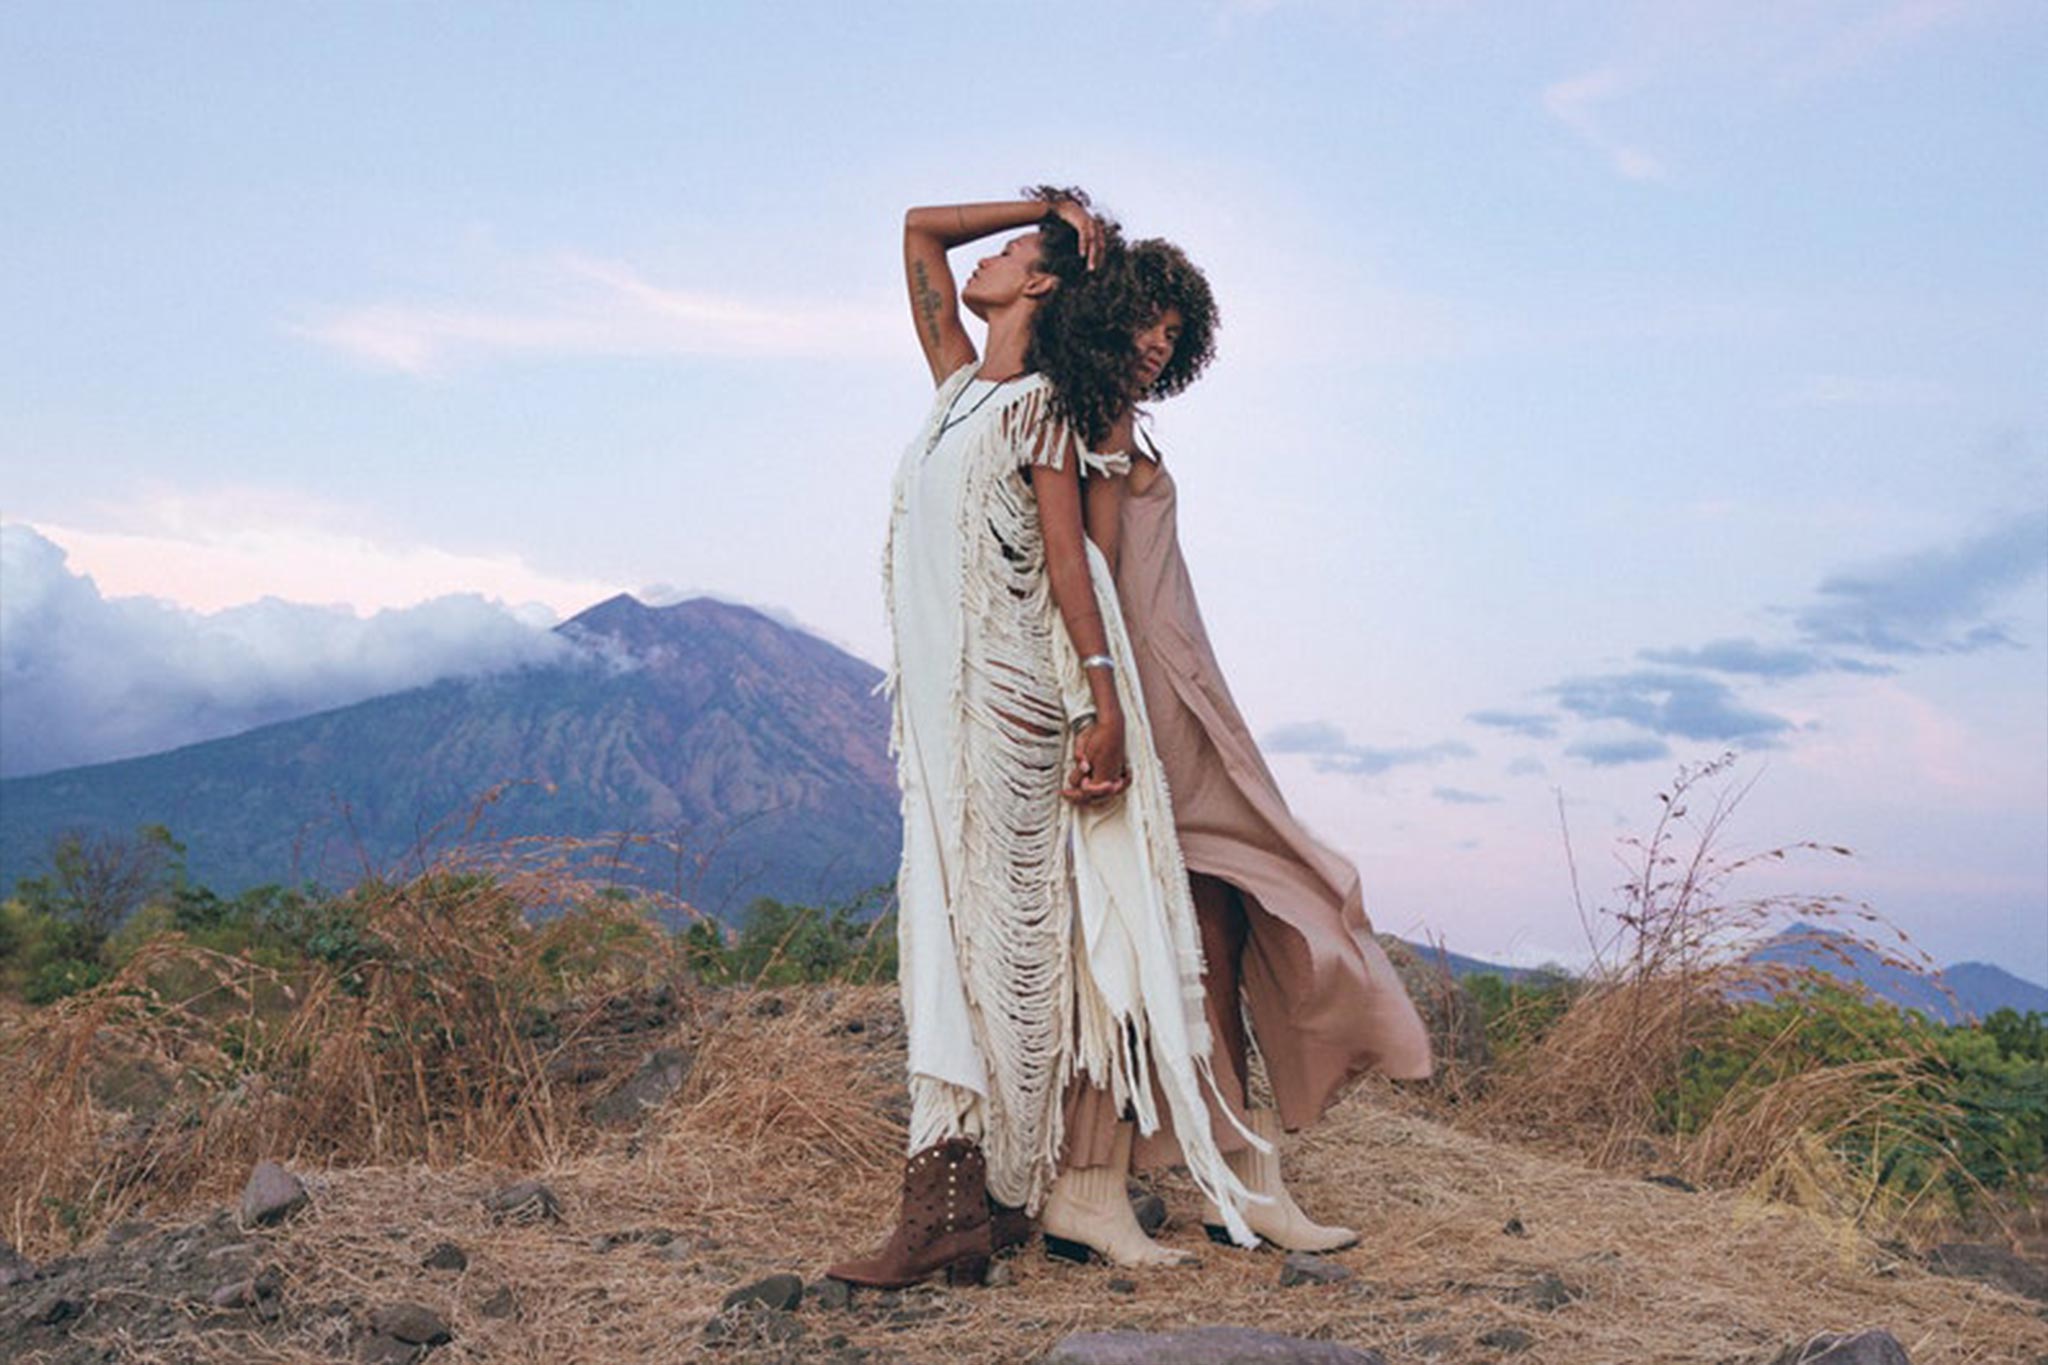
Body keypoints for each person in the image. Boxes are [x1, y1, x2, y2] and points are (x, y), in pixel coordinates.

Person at [827, 194, 1256, 1291]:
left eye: (1015, 250)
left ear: (1043, 284)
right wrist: (1044, 205)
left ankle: (965, 1203)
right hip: (937, 717)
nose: (992, 257)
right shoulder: (955, 386)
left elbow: (1074, 569)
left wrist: (1101, 707)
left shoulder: (1044, 414)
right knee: (944, 939)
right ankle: (974, 1202)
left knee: (994, 954)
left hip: (1010, 709)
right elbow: (920, 230)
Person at [1059, 239, 1435, 1262]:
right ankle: (1207, 1170)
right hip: (1145, 686)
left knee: (1220, 909)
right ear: (1105, 314)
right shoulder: (1090, 415)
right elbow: (1094, 570)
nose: (1155, 344)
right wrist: (1104, 701)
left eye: (1172, 333)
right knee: (1207, 903)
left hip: (1179, 678)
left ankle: (1235, 1168)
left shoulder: (1114, 417)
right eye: (1145, 320)